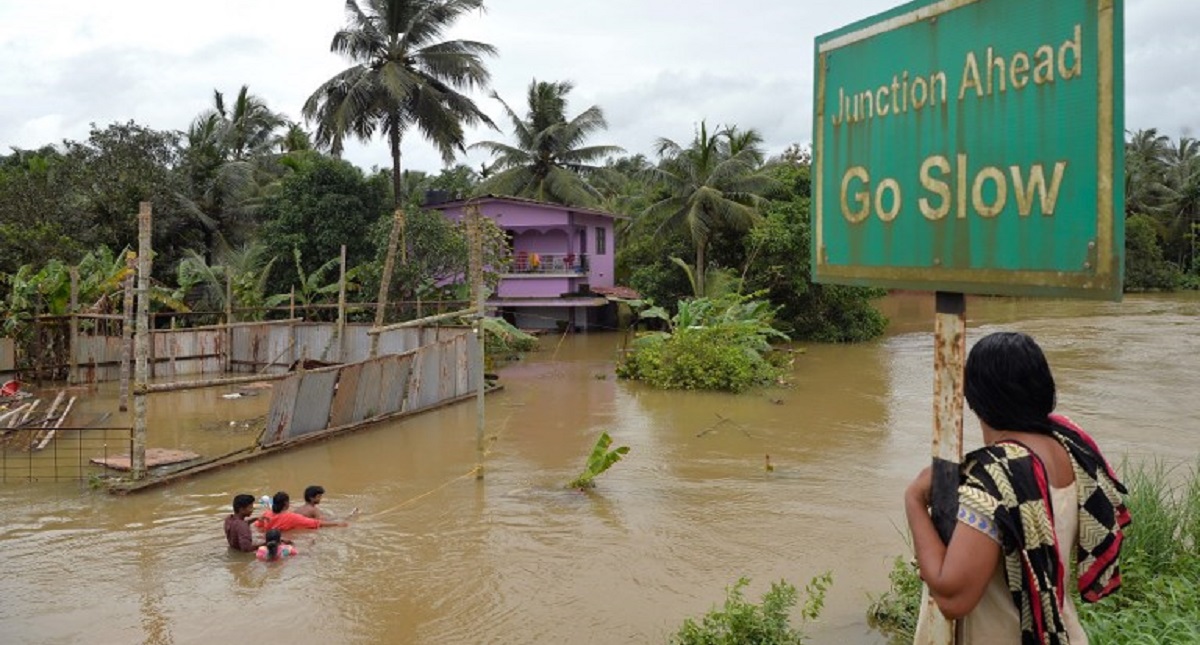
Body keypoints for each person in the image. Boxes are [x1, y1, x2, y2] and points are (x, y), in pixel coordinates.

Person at [906, 332, 1130, 643]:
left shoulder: (996, 478)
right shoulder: (1069, 447)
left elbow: (952, 598)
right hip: (1058, 632)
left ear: (976, 400)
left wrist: (915, 499)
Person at [256, 491, 349, 532]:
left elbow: (258, 526)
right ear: (286, 503)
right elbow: (317, 523)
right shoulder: (291, 517)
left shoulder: (266, 513)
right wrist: (337, 524)